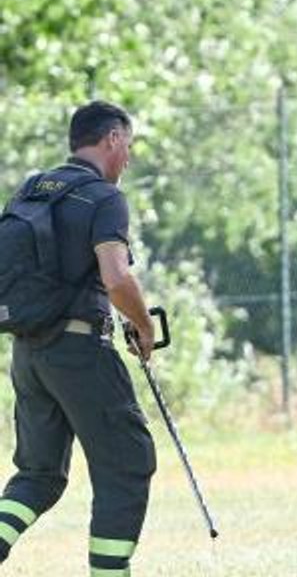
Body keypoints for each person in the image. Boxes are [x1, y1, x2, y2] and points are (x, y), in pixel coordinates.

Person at [0, 101, 157, 574]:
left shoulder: (32, 190)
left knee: (38, 475)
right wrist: (145, 326)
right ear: (111, 139)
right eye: (127, 145)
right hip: (79, 351)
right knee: (127, 464)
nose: (127, 158)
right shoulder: (104, 198)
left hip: (29, 352)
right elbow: (116, 278)